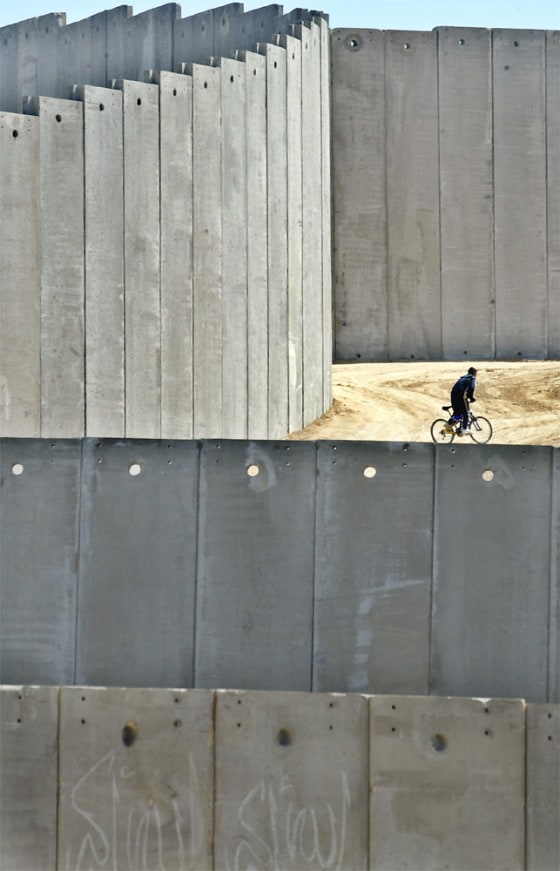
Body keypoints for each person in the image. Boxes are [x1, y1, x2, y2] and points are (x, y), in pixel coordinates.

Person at [449, 367, 477, 432]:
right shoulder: (472, 378)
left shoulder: (463, 378)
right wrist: (471, 398)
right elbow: (472, 388)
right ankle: (464, 429)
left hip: (453, 395)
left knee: (457, 413)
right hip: (460, 396)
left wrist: (468, 397)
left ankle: (448, 425)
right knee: (466, 413)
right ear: (474, 373)